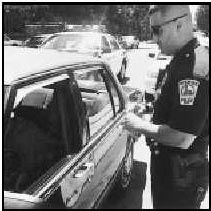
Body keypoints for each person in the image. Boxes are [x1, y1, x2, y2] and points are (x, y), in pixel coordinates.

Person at [122, 5, 209, 209]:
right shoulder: (181, 61)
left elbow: (182, 137)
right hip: (173, 172)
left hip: (181, 178)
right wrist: (147, 112)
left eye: (157, 30)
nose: (154, 38)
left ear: (179, 24)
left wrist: (138, 125)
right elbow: (174, 109)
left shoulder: (193, 68)